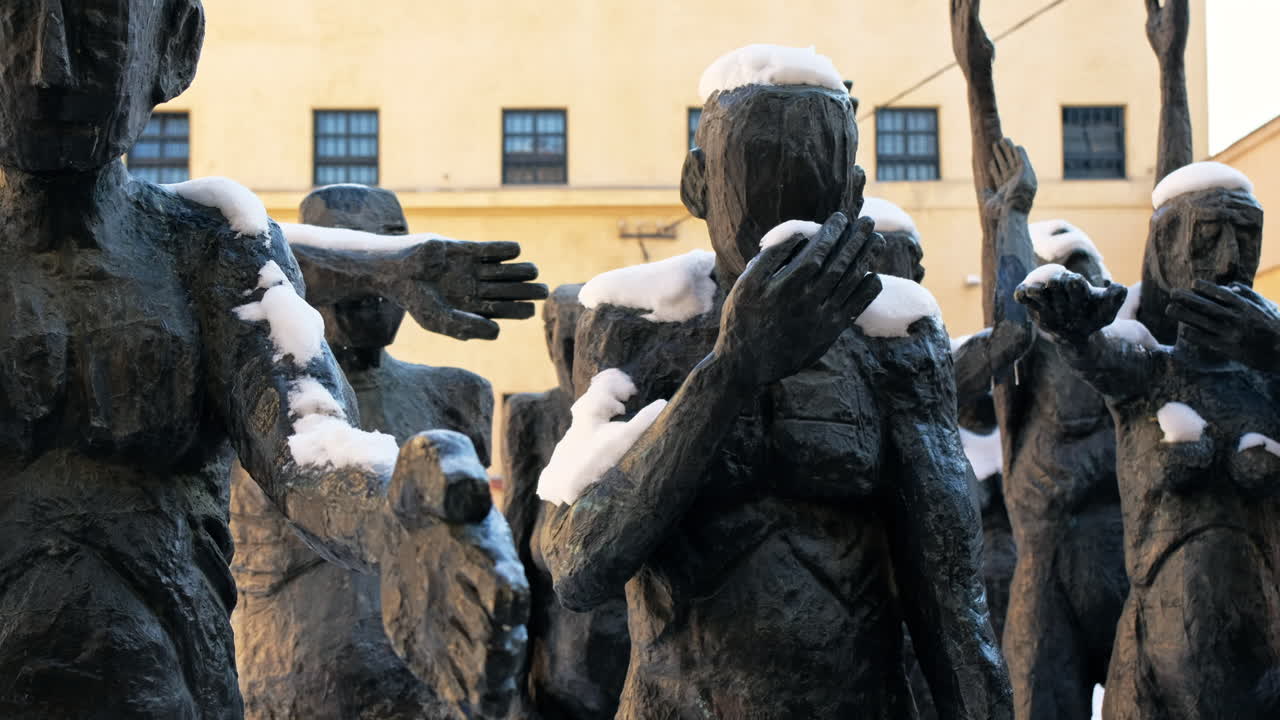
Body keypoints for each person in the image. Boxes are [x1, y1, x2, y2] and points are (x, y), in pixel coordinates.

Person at [0, 5, 538, 717]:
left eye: (94, 24)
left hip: (169, 684)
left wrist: (401, 511)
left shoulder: (211, 248)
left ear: (174, 47)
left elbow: (309, 445)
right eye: (10, 22)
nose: (49, 69)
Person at [537, 45, 1011, 719]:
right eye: (755, 182)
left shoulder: (894, 337)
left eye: (810, 191)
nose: (779, 222)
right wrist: (731, 371)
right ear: (697, 184)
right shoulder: (637, 324)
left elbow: (950, 597)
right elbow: (579, 563)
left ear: (850, 195)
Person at [231, 185, 496, 720]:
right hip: (282, 691)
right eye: (354, 258)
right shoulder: (246, 397)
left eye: (390, 250)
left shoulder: (459, 396)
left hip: (427, 697)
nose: (374, 295)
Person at [950, 3, 1128, 716]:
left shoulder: (1127, 369)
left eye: (1082, 280)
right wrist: (978, 81)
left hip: (1125, 577)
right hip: (1041, 580)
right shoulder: (1017, 379)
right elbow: (997, 228)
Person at [502, 284, 632, 720]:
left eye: (588, 344)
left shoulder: (638, 418)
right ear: (550, 340)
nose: (577, 359)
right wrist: (515, 685)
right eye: (568, 342)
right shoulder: (532, 414)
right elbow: (515, 551)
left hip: (628, 661)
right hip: (558, 664)